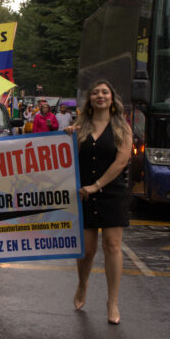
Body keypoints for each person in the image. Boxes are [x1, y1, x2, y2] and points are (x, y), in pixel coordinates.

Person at [64, 79, 132, 326]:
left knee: (113, 246)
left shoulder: (122, 127)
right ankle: (82, 285)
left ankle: (112, 301)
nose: (100, 96)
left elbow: (121, 162)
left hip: (111, 193)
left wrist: (97, 185)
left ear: (112, 99)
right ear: (90, 100)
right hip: (82, 194)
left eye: (105, 92)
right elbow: (63, 156)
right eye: (95, 93)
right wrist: (65, 137)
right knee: (87, 250)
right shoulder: (79, 127)